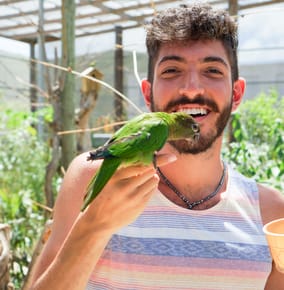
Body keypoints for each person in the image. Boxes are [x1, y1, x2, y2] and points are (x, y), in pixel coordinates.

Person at [29, 3, 284, 290]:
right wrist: (92, 226)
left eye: (212, 70)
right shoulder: (93, 177)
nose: (191, 87)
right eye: (172, 70)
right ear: (147, 94)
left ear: (236, 94)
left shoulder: (272, 212)